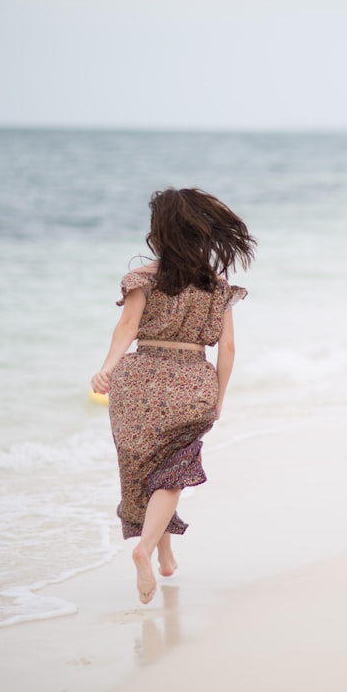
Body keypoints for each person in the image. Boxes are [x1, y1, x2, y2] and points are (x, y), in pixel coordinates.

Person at [91, 187, 256, 604]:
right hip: (191, 382)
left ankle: (161, 553)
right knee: (173, 471)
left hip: (138, 381)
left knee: (148, 471)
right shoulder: (217, 286)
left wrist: (108, 368)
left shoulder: (142, 278)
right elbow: (229, 348)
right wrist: (218, 397)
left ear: (159, 231)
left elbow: (127, 328)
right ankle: (149, 549)